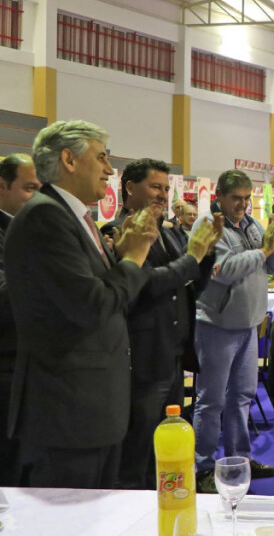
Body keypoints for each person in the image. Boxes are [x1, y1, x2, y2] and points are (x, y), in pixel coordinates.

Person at [5, 120, 158, 488]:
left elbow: (94, 290)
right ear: (68, 160)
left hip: (90, 408)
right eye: (102, 157)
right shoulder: (46, 216)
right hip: (67, 413)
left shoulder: (71, 216)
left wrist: (119, 257)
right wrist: (134, 258)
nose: (109, 169)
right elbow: (91, 305)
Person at [112, 158, 222, 490]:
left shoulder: (168, 232)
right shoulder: (121, 232)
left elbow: (189, 280)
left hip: (173, 351)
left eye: (165, 188)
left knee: (168, 441)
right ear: (130, 188)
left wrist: (208, 252)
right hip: (144, 354)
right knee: (140, 445)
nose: (162, 195)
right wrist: (194, 257)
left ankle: (166, 499)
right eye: (155, 187)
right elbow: (145, 284)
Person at [193, 170, 274, 493]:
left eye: (247, 199)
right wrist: (262, 251)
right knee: (211, 402)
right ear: (219, 195)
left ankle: (240, 460)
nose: (243, 205)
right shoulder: (208, 226)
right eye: (236, 199)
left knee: (243, 398)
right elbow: (225, 272)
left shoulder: (251, 224)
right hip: (216, 326)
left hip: (248, 326)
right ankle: (202, 467)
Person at [0, 153, 40, 486]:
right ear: (2, 186)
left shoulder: (25, 227)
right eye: (28, 188)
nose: (35, 197)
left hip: (28, 363)